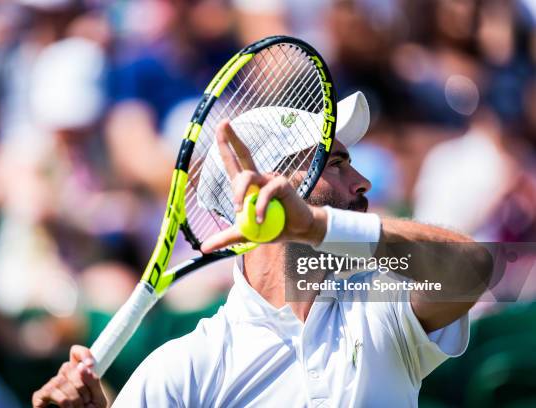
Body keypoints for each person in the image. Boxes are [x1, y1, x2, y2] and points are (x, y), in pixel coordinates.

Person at [32, 93, 492, 407]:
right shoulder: (184, 369)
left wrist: (317, 225)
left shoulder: (381, 299)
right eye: (335, 163)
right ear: (270, 188)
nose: (362, 182)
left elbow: (473, 268)